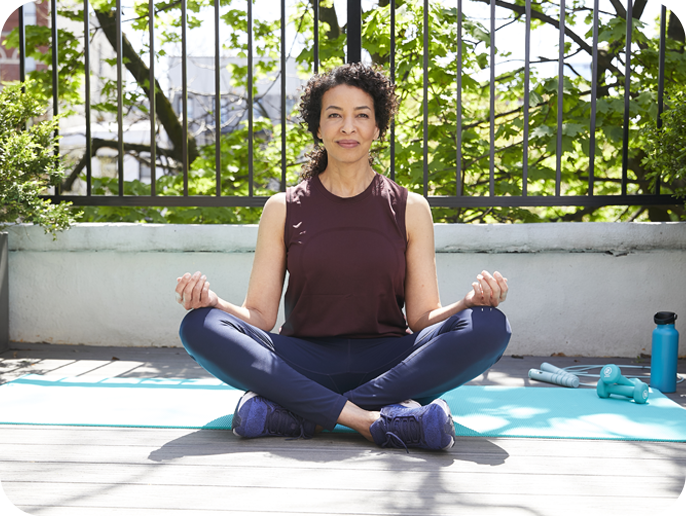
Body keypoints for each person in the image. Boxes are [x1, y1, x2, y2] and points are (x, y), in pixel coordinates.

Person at [175, 63, 511, 452]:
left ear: (378, 129)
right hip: (301, 360)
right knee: (200, 325)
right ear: (318, 127)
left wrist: (468, 303)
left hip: (390, 363)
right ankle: (370, 420)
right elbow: (261, 318)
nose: (348, 127)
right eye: (334, 115)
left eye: (361, 116)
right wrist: (212, 302)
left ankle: (306, 414)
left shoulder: (411, 207)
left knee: (488, 325)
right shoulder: (282, 207)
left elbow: (421, 319)